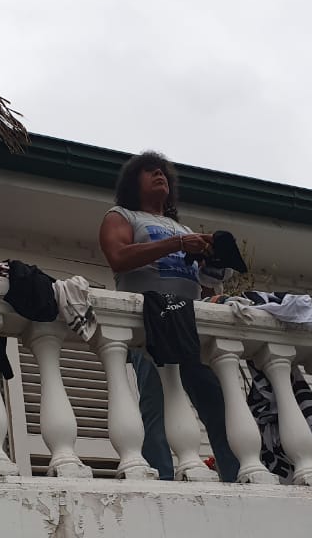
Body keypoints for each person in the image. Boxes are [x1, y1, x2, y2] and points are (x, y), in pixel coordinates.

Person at [98, 151, 240, 483]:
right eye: (149, 172)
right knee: (156, 406)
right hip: (149, 323)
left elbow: (201, 281)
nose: (159, 175)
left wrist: (212, 261)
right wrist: (178, 242)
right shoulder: (122, 216)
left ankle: (237, 472)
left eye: (162, 172)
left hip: (188, 323)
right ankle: (160, 478)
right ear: (134, 182)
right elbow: (118, 257)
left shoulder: (182, 227)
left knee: (217, 405)